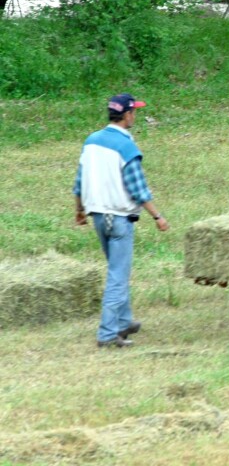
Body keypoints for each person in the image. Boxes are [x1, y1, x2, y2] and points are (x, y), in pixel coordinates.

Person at [73, 93, 170, 348]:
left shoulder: (91, 142)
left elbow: (79, 182)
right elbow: (138, 188)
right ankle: (107, 334)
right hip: (118, 219)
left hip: (96, 215)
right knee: (117, 275)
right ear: (127, 115)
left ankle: (124, 321)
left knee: (117, 270)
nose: (135, 115)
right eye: (134, 112)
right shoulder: (126, 146)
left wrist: (79, 210)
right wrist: (157, 216)